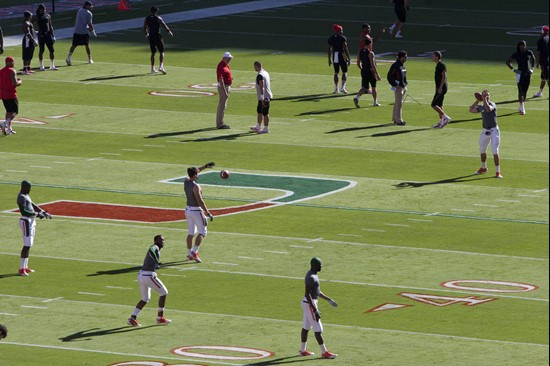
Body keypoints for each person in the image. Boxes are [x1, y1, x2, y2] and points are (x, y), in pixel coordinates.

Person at [128, 235, 171, 326]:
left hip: (142, 275)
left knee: (145, 298)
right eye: (160, 240)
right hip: (148, 275)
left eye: (163, 240)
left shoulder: (156, 248)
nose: (162, 241)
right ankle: (160, 318)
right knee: (164, 293)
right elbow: (151, 251)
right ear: (155, 241)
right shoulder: (154, 247)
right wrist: (156, 262)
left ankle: (132, 318)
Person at [299, 257, 338, 359]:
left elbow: (316, 292)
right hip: (309, 303)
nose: (321, 266)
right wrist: (315, 310)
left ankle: (302, 350)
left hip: (308, 303)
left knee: (306, 327)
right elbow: (308, 294)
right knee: (318, 328)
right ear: (314, 265)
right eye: (319, 265)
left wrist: (328, 299)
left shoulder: (313, 275)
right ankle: (324, 352)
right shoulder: (311, 277)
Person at [16, 180, 52, 276]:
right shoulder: (21, 197)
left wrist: (43, 212)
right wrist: (37, 214)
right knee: (26, 244)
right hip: (26, 221)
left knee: (29, 244)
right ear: (24, 187)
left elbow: (32, 205)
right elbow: (23, 211)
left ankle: (25, 267)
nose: (30, 189)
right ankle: (21, 268)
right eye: (29, 188)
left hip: (31, 221)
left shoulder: (26, 195)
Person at [184, 162, 215, 263]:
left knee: (191, 233)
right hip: (196, 210)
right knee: (202, 232)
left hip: (188, 210)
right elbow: (200, 201)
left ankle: (189, 254)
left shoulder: (186, 181)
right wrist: (207, 212)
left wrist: (205, 167)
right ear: (195, 175)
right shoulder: (196, 186)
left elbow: (195, 171)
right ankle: (195, 252)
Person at [469, 90, 502, 179]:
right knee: (482, 150)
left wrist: (485, 100)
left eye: (487, 95)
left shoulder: (492, 104)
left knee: (495, 151)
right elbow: (471, 110)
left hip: (494, 130)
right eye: (484, 95)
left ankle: (498, 172)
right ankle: (483, 168)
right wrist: (477, 100)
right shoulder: (481, 106)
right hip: (485, 131)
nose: (486, 96)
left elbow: (488, 109)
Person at [506, 40, 535, 115]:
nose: (523, 47)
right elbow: (508, 62)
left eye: (524, 45)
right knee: (520, 91)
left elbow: (534, 59)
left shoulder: (529, 52)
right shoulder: (516, 54)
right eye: (521, 45)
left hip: (527, 74)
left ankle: (521, 105)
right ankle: (522, 107)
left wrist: (532, 69)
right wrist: (514, 70)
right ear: (519, 46)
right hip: (520, 74)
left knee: (525, 91)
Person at [144, 6, 173, 75]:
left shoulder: (147, 18)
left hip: (151, 36)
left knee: (153, 53)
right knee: (162, 51)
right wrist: (169, 32)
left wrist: (147, 34)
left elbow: (144, 27)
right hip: (157, 35)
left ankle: (152, 69)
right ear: (156, 11)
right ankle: (161, 66)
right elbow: (164, 26)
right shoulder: (158, 18)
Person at [353, 38, 381, 108]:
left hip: (364, 71)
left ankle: (357, 97)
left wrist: (362, 69)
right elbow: (372, 65)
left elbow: (358, 63)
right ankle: (375, 102)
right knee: (373, 87)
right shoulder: (370, 53)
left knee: (364, 87)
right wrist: (377, 74)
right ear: (369, 44)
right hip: (370, 71)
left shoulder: (360, 51)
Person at [66, 1, 96, 66]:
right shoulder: (89, 13)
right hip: (84, 32)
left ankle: (68, 58)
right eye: (90, 5)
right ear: (86, 6)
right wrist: (92, 31)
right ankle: (90, 59)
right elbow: (89, 24)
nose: (91, 7)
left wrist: (89, 28)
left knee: (74, 45)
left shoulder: (79, 10)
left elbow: (84, 22)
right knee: (87, 45)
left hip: (76, 31)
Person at [0, 57, 22, 136]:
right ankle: (5, 123)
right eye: (13, 62)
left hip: (3, 94)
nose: (14, 63)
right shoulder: (12, 71)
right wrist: (20, 81)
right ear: (9, 62)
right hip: (11, 94)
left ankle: (9, 129)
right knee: (15, 111)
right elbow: (14, 84)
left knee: (8, 111)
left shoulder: (1, 71)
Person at [250, 61, 273, 134]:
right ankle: (258, 126)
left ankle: (266, 128)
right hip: (263, 96)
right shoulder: (265, 72)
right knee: (259, 111)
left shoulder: (260, 75)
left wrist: (262, 98)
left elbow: (261, 87)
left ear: (256, 66)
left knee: (265, 113)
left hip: (264, 97)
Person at [328, 24, 351, 94]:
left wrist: (329, 59)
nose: (342, 31)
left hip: (335, 55)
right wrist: (348, 57)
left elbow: (329, 50)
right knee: (344, 71)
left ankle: (336, 89)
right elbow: (345, 48)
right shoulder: (342, 38)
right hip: (341, 54)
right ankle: (343, 88)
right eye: (341, 30)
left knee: (336, 72)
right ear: (338, 31)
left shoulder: (331, 38)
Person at [387, 50, 408, 126]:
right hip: (398, 87)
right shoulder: (395, 65)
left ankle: (395, 118)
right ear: (401, 57)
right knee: (399, 104)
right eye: (405, 57)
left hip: (403, 87)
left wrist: (405, 84)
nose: (406, 58)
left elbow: (404, 77)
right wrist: (396, 84)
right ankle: (399, 120)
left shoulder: (402, 65)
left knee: (398, 103)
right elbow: (389, 76)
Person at [34, 4, 57, 71]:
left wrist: (53, 35)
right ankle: (41, 66)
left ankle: (52, 65)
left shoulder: (48, 15)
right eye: (42, 9)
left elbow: (50, 26)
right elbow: (30, 24)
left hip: (48, 35)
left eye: (44, 9)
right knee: (42, 50)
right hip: (41, 35)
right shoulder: (37, 16)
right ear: (39, 9)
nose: (44, 10)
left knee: (52, 50)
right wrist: (34, 31)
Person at [431, 51, 451, 128]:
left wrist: (440, 88)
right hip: (440, 87)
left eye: (433, 56)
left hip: (442, 88)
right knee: (439, 104)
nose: (431, 57)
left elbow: (444, 77)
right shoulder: (438, 65)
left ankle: (445, 117)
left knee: (433, 104)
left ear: (437, 57)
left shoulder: (441, 65)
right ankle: (441, 122)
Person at [216, 52, 233, 129]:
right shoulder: (221, 66)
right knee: (222, 106)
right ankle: (219, 124)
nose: (230, 60)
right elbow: (220, 80)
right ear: (224, 58)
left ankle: (221, 122)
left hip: (226, 86)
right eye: (229, 58)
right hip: (223, 87)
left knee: (223, 106)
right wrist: (225, 92)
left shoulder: (225, 65)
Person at [533, 25, 549, 98]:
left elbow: (538, 53)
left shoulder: (540, 41)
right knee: (543, 77)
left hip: (544, 62)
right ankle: (539, 92)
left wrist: (537, 63)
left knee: (547, 77)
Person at [22, 11, 38, 75]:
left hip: (30, 39)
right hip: (27, 40)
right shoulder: (26, 23)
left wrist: (35, 33)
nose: (32, 16)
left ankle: (28, 68)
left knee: (30, 54)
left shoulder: (29, 22)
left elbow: (32, 30)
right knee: (26, 54)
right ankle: (24, 69)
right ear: (28, 16)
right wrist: (33, 41)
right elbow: (28, 33)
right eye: (31, 15)